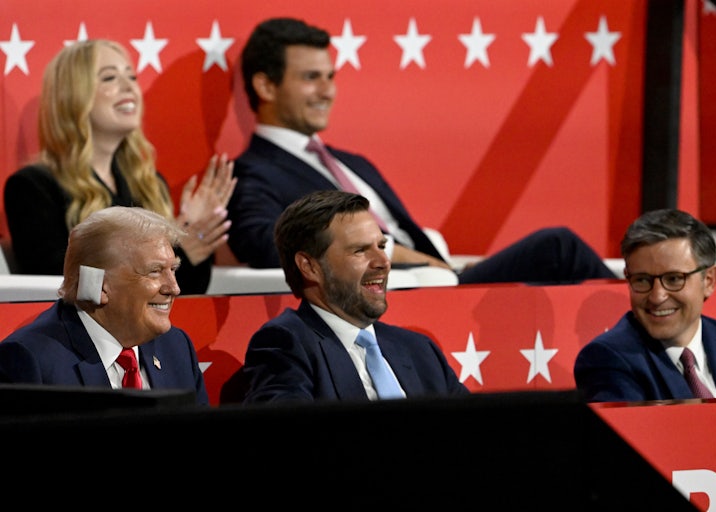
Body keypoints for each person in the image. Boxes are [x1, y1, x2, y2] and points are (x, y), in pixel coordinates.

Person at [226, 17, 616, 286]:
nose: (328, 91)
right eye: (311, 78)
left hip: (442, 280)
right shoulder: (252, 172)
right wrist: (389, 252)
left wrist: (439, 263)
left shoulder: (353, 164)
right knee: (557, 248)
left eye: (330, 77)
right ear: (265, 86)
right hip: (393, 296)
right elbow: (265, 243)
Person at [3, 39, 236, 295]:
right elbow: (58, 283)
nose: (129, 88)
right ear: (72, 96)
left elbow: (186, 292)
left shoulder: (149, 184)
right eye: (110, 78)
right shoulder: (32, 187)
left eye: (132, 77)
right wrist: (178, 250)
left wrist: (190, 238)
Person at [239, 189, 469, 403]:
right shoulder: (285, 344)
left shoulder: (420, 350)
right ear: (309, 267)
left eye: (381, 246)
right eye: (360, 250)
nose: (384, 263)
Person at [0, 206, 209, 405]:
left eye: (173, 269)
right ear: (98, 285)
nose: (174, 288)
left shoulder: (176, 347)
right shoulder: (30, 361)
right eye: (155, 271)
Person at [574, 208, 716, 402]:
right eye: (642, 280)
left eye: (674, 279)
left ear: (708, 281)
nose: (657, 296)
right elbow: (632, 433)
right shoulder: (607, 360)